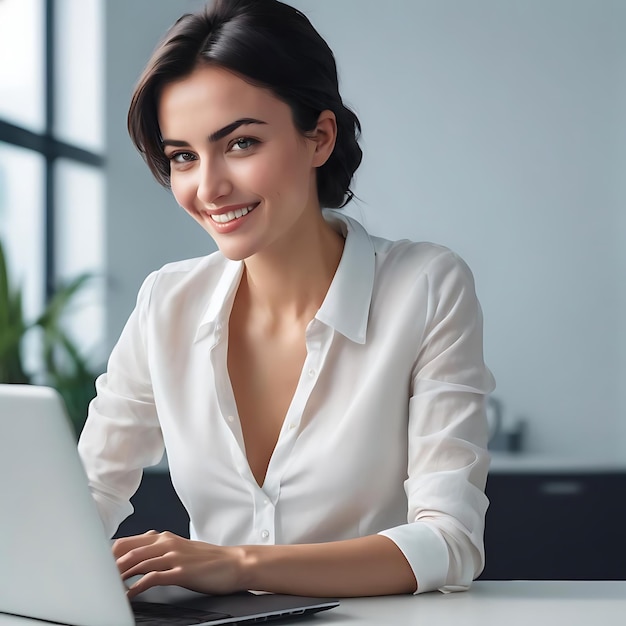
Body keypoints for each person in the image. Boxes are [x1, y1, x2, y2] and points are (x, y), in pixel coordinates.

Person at [78, 0, 495, 600]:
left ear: (320, 136)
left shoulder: (425, 285)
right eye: (183, 157)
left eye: (241, 143)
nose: (209, 187)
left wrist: (242, 565)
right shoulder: (167, 300)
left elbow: (450, 542)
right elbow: (88, 493)